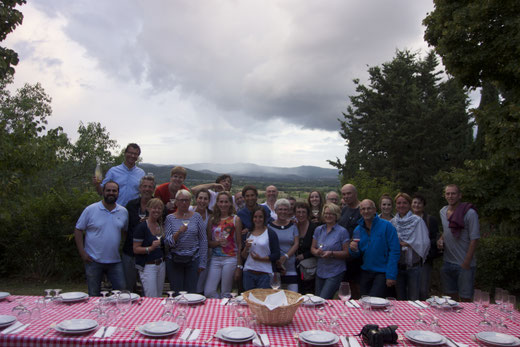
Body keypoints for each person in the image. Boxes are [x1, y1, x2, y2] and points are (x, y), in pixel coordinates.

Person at [74, 181, 127, 296]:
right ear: (103, 192)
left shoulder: (123, 212)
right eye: (108, 190)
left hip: (115, 261)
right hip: (93, 261)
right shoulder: (91, 210)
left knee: (121, 294)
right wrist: (82, 253)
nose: (111, 193)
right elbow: (78, 230)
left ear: (118, 193)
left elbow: (124, 232)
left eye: (114, 191)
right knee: (94, 295)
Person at [350, 199, 400, 297]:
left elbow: (395, 251)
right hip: (366, 271)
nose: (366, 211)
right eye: (363, 209)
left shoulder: (387, 226)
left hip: (382, 272)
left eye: (369, 208)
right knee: (364, 300)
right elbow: (357, 254)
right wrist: (353, 249)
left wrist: (391, 275)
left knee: (374, 300)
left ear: (374, 210)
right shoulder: (358, 229)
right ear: (360, 211)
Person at [438, 184, 480, 302]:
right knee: (450, 299)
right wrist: (441, 239)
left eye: (453, 193)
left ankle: (468, 320)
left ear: (459, 195)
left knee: (466, 299)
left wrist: (466, 262)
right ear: (445, 196)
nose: (450, 196)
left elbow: (474, 238)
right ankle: (453, 321)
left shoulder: (470, 213)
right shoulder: (442, 211)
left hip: (464, 264)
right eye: (448, 193)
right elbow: (447, 230)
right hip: (447, 262)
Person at [164, 189, 208, 294]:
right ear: (176, 202)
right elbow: (167, 242)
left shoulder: (196, 217)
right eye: (181, 200)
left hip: (193, 259)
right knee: (177, 292)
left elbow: (203, 240)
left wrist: (202, 262)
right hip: (175, 260)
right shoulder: (170, 218)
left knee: (191, 292)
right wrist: (178, 232)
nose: (184, 203)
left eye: (187, 200)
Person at [391, 193, 430, 300]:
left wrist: (408, 243)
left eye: (404, 203)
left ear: (409, 205)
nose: (401, 205)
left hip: (414, 266)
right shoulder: (393, 223)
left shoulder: (417, 221)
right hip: (398, 266)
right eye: (399, 203)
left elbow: (424, 242)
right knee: (400, 299)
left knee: (414, 299)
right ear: (396, 205)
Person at [204, 192, 243, 298]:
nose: (223, 204)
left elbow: (239, 244)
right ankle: (219, 308)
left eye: (226, 201)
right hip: (215, 258)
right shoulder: (212, 219)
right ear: (217, 203)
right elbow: (208, 242)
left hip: (230, 258)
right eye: (221, 201)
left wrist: (239, 266)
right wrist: (217, 243)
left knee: (226, 292)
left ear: (230, 203)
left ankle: (225, 312)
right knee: (209, 291)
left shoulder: (235, 219)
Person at [123, 174, 155, 292]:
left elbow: (162, 228)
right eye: (144, 186)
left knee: (147, 289)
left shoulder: (157, 206)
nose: (147, 189)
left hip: (149, 254)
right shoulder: (131, 205)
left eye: (150, 187)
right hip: (130, 252)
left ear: (153, 189)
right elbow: (125, 228)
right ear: (140, 188)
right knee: (129, 287)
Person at [311, 203, 350, 299]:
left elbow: (347, 253)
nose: (328, 216)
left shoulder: (342, 231)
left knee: (324, 299)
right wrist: (316, 252)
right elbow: (312, 248)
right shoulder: (318, 230)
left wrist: (331, 253)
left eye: (331, 214)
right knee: (317, 299)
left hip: (335, 271)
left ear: (336, 215)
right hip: (321, 270)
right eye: (326, 213)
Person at [242, 206, 281, 290]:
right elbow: (244, 256)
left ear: (264, 218)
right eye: (255, 217)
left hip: (265, 274)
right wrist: (246, 248)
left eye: (260, 217)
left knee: (262, 301)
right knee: (249, 300)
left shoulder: (270, 233)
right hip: (248, 272)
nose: (258, 219)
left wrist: (261, 258)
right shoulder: (248, 233)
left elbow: (277, 254)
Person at [133, 198, 166, 297]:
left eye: (159, 208)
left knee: (159, 296)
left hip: (161, 264)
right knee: (151, 297)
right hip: (148, 266)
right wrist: (150, 248)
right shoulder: (142, 227)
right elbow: (135, 249)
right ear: (148, 208)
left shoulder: (159, 225)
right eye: (154, 208)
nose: (157, 210)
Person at [412, 193, 440, 300]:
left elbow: (435, 238)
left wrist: (420, 242)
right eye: (414, 202)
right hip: (409, 260)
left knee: (423, 289)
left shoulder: (430, 220)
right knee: (412, 289)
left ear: (423, 205)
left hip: (425, 259)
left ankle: (424, 311)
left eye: (419, 203)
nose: (417, 205)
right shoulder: (407, 219)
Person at [268, 199, 299, 292]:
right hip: (275, 267)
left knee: (293, 296)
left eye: (285, 209)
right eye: (280, 209)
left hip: (290, 266)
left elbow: (296, 243)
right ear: (276, 210)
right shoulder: (269, 227)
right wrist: (278, 260)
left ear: (289, 211)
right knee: (277, 297)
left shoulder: (293, 226)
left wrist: (285, 257)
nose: (283, 212)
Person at [337, 183, 362, 298]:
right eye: (344, 194)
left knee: (357, 289)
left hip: (358, 257)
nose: (346, 196)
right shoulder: (344, 209)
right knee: (346, 290)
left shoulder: (362, 209)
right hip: (344, 257)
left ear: (355, 194)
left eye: (349, 193)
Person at [190, 189, 212, 294]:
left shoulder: (211, 216)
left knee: (200, 285)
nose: (202, 201)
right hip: (190, 253)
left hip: (205, 253)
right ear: (196, 199)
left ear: (209, 201)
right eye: (200, 198)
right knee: (190, 284)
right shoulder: (189, 211)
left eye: (205, 199)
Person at [294, 202, 318, 294]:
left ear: (308, 213)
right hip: (295, 265)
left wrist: (304, 255)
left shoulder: (314, 228)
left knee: (309, 291)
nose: (301, 214)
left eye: (303, 212)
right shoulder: (293, 226)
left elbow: (317, 246)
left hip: (309, 266)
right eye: (298, 212)